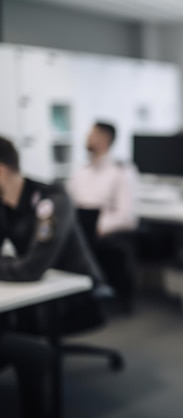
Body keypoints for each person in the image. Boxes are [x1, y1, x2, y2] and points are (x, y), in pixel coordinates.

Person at [0, 135, 109, 417]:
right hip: (36, 291)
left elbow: (31, 269)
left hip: (74, 294)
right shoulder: (4, 204)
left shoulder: (50, 200)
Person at [67, 122, 138, 312]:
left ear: (105, 139)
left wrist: (99, 226)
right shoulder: (81, 172)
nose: (87, 138)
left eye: (93, 134)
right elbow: (68, 205)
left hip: (102, 230)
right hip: (80, 226)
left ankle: (95, 292)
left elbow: (127, 216)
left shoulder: (121, 171)